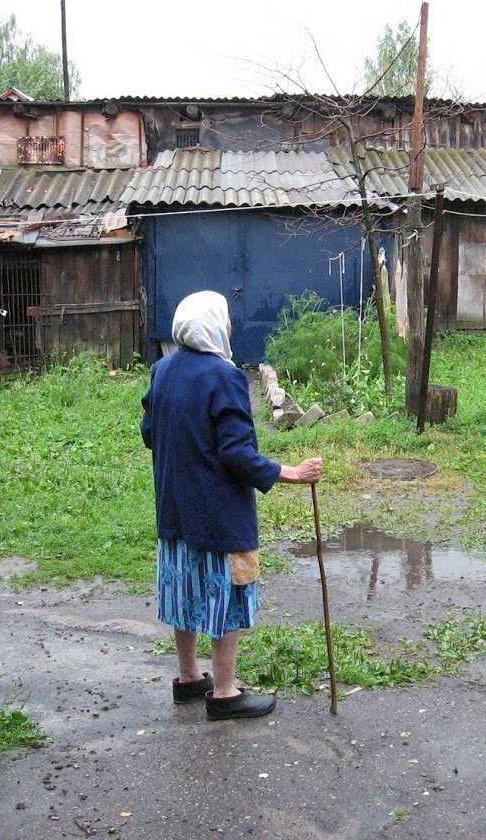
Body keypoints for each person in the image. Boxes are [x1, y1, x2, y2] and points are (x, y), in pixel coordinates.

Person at [140, 291, 322, 720]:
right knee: (225, 595)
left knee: (184, 589)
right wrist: (291, 473)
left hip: (175, 509)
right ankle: (224, 693)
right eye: (225, 320)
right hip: (219, 516)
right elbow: (237, 453)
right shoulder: (224, 376)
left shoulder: (162, 370)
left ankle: (189, 678)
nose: (230, 328)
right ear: (211, 326)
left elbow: (150, 433)